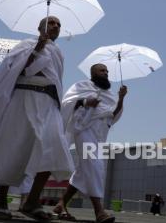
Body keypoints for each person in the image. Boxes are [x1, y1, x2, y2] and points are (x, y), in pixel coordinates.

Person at [0, 16, 74, 221]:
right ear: (39, 28)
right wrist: (37, 48)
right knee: (12, 147)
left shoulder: (58, 52)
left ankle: (31, 201)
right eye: (51, 22)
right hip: (23, 97)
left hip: (48, 103)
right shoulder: (26, 44)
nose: (56, 26)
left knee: (54, 149)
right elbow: (16, 69)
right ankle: (2, 202)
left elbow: (56, 80)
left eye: (58, 24)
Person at [53, 64, 128, 223]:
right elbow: (67, 103)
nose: (106, 73)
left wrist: (121, 98)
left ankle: (61, 204)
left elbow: (113, 115)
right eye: (102, 70)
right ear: (93, 73)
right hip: (84, 129)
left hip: (100, 134)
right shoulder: (82, 86)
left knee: (83, 171)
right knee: (94, 165)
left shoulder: (109, 95)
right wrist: (86, 101)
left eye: (107, 71)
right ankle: (99, 211)